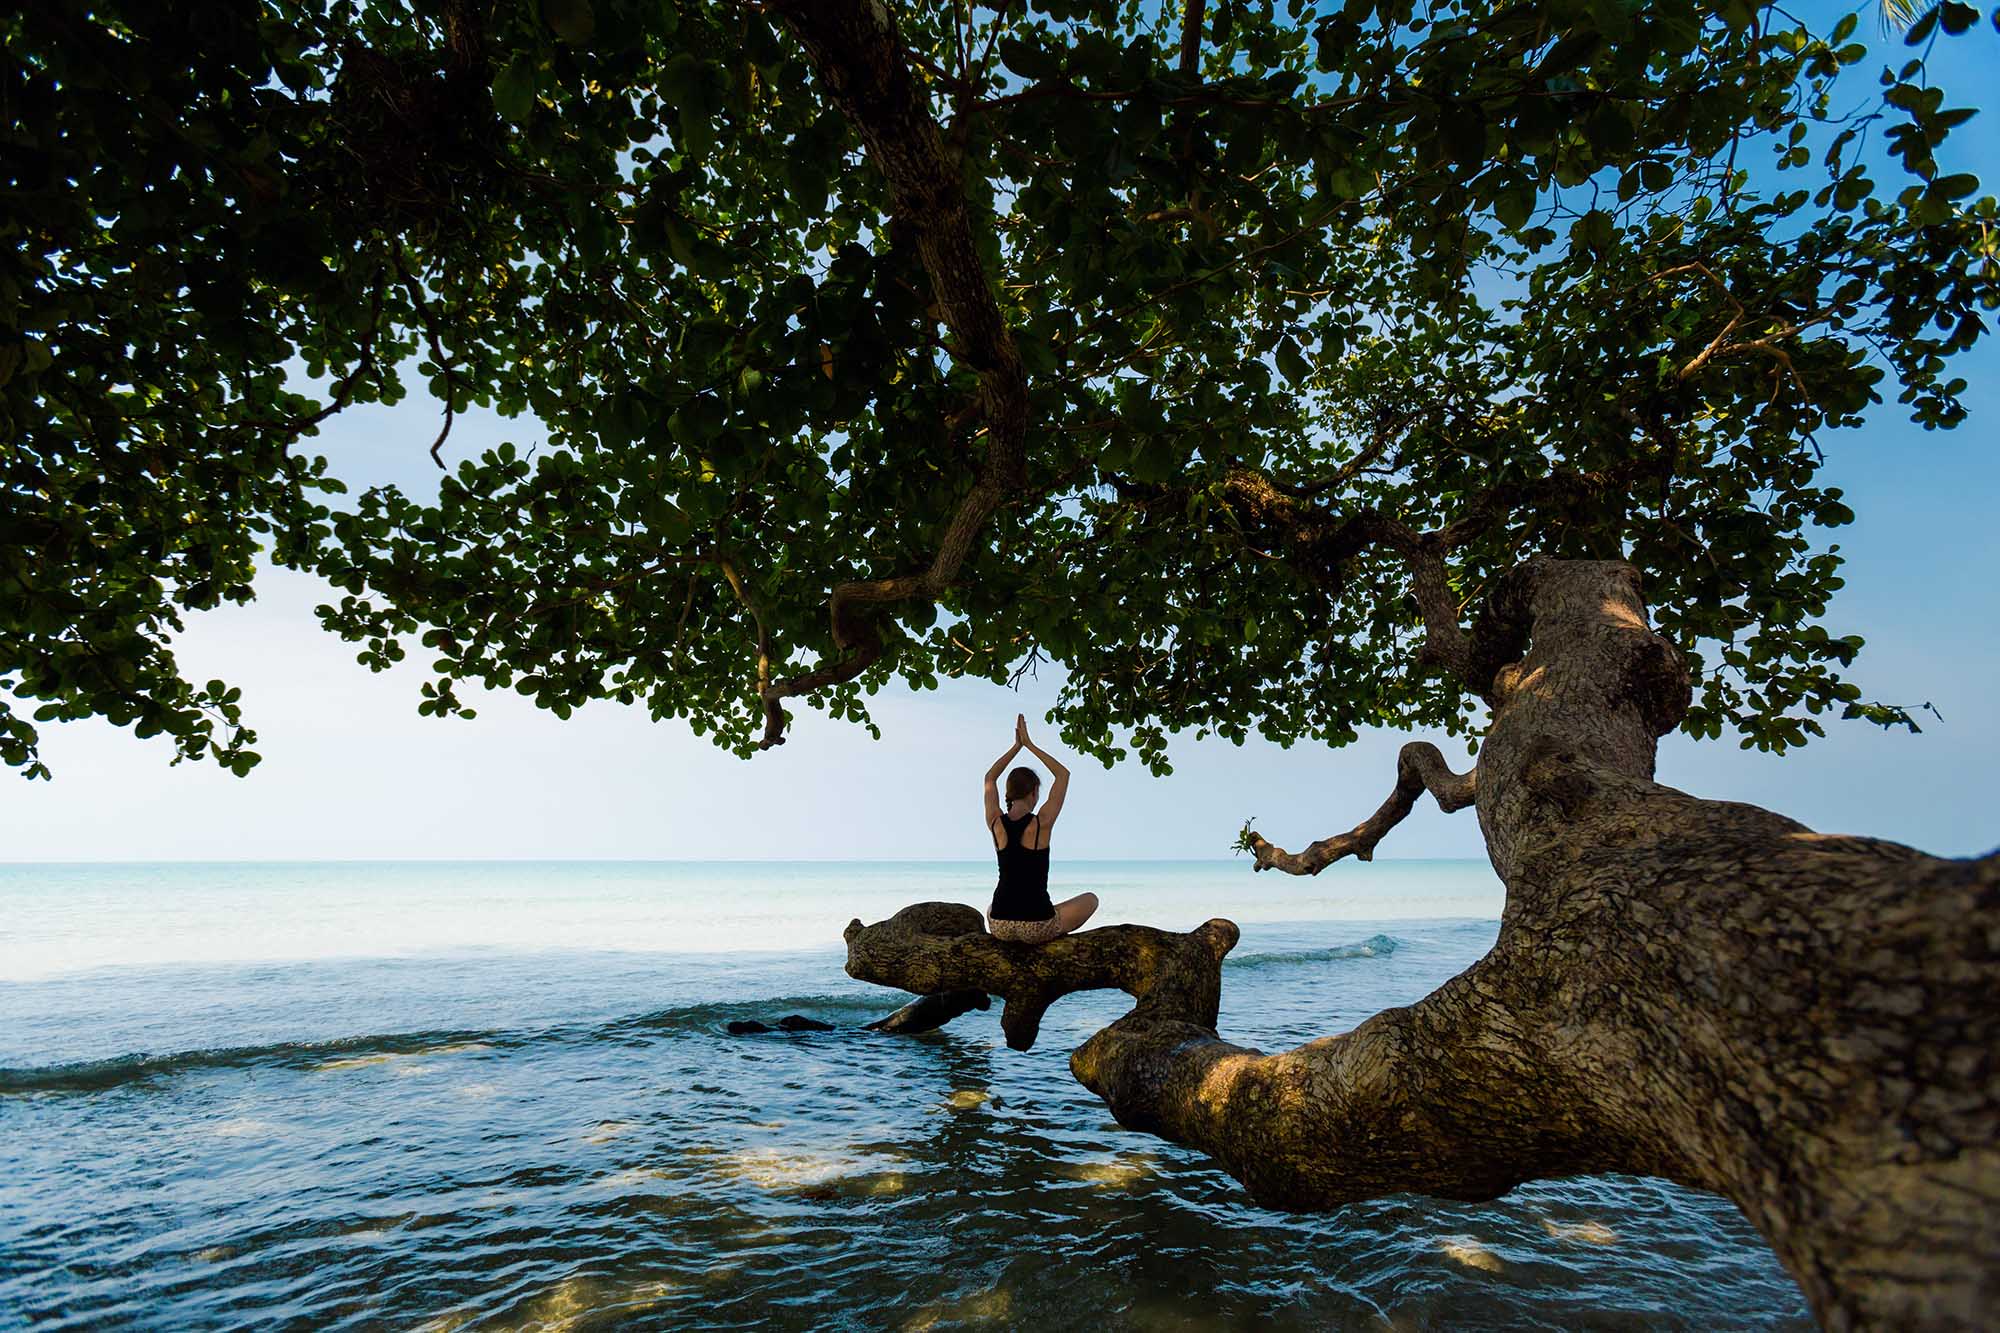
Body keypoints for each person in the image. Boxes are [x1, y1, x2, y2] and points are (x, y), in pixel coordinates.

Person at [981, 713, 1098, 944]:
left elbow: (989, 778)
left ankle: (1035, 912)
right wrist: (1030, 745)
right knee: (1091, 899)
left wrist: (1016, 748)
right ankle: (1043, 917)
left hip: (999, 925)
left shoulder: (995, 822)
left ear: (1010, 793)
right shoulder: (1041, 822)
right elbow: (1063, 775)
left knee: (991, 906)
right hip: (1036, 926)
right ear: (1034, 792)